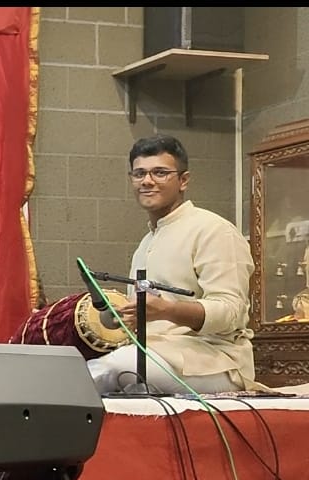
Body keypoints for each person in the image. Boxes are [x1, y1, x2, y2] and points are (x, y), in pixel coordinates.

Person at [87, 135, 260, 395]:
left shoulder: (214, 230)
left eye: (160, 172)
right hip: (153, 353)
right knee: (87, 368)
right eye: (139, 173)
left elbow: (231, 312)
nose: (147, 181)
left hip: (216, 362)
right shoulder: (147, 241)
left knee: (106, 371)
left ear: (184, 180)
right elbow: (147, 318)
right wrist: (119, 315)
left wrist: (169, 310)